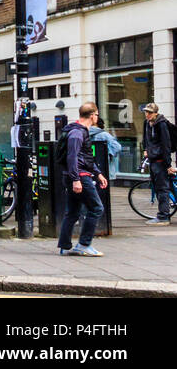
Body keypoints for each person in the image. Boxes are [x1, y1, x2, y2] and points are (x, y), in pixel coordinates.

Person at [58, 102, 108, 257]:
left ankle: (65, 246)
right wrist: (76, 179)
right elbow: (72, 157)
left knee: (72, 211)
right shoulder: (77, 133)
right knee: (96, 208)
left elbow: (86, 156)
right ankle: (84, 244)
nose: (97, 118)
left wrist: (98, 173)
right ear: (92, 115)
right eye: (97, 115)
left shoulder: (79, 130)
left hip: (76, 175)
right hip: (79, 177)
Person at [141, 103, 175, 224]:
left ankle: (163, 216)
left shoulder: (162, 124)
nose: (147, 114)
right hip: (153, 160)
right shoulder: (147, 123)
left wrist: (168, 165)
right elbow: (145, 139)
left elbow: (166, 145)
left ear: (156, 113)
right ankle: (165, 212)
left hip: (160, 161)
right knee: (161, 187)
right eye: (146, 112)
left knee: (162, 189)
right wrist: (145, 149)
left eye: (150, 112)